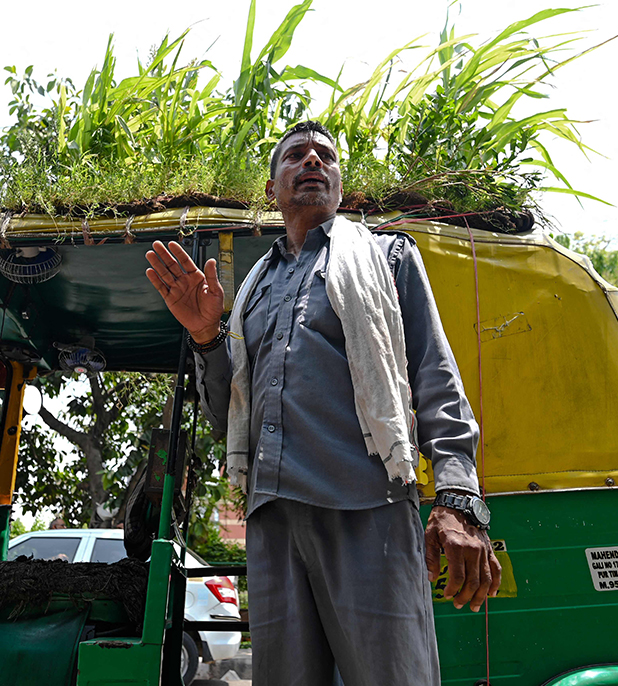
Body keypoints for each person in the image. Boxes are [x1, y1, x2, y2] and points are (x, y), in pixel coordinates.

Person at [144, 120, 500, 685]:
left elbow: (436, 377)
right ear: (272, 188)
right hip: (274, 525)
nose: (311, 161)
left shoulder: (386, 258)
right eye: (294, 156)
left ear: (339, 184)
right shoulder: (254, 288)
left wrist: (458, 500)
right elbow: (229, 415)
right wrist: (208, 336)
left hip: (367, 510)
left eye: (324, 156)